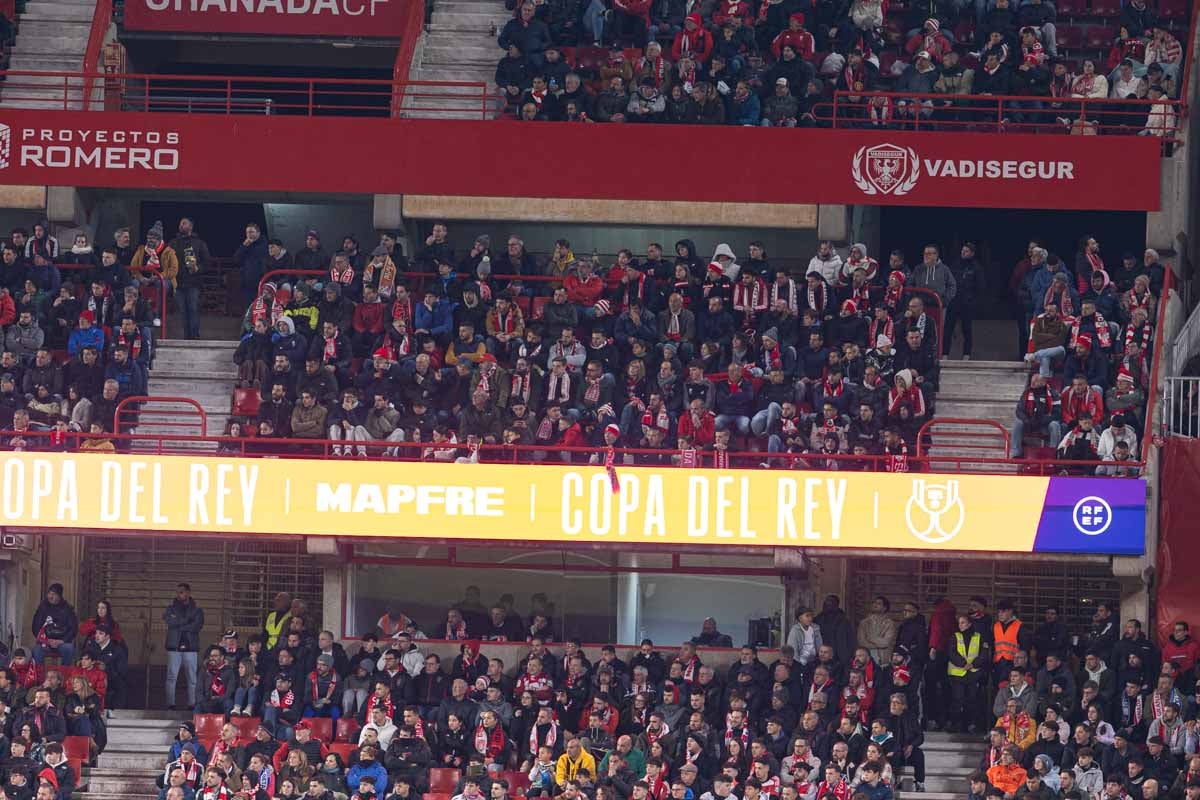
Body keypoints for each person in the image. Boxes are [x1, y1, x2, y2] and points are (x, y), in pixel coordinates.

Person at [164, 582, 205, 710]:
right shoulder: (170, 609)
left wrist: (180, 625)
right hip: (174, 647)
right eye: (177, 592)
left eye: (181, 591)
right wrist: (187, 621)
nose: (179, 594)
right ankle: (170, 704)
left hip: (191, 648)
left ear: (188, 593)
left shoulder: (197, 610)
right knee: (171, 677)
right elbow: (170, 621)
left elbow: (197, 626)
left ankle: (192, 704)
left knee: (192, 678)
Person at [30, 583, 78, 666]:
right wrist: (45, 640)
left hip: (62, 642)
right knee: (36, 650)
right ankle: (39, 676)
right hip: (45, 641)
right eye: (49, 593)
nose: (50, 596)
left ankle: (64, 674)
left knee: (69, 649)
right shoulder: (43, 607)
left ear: (59, 596)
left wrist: (62, 641)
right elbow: (35, 627)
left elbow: (73, 629)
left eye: (54, 594)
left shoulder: (67, 609)